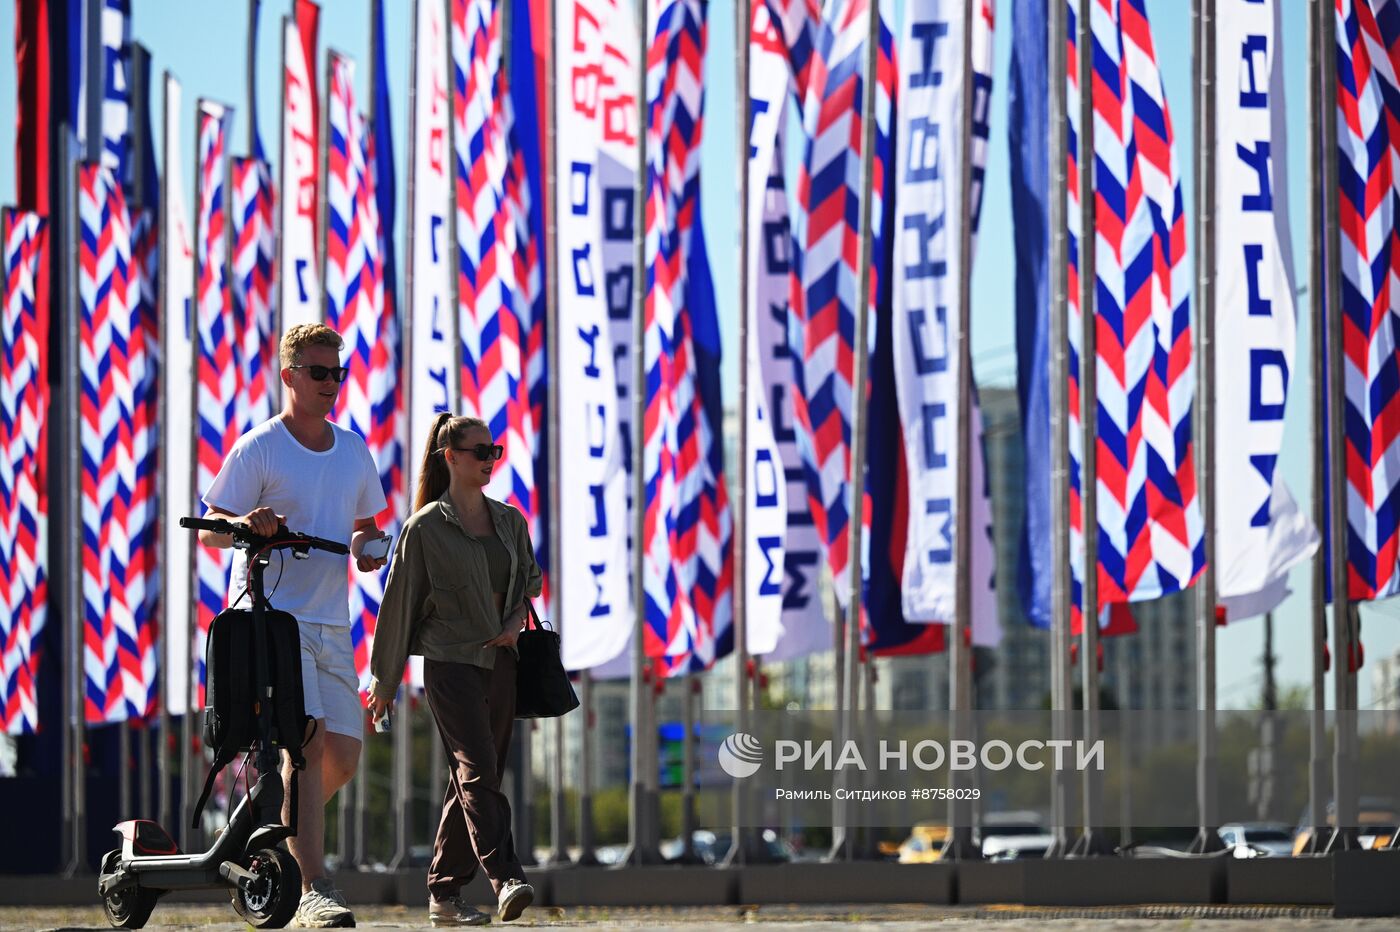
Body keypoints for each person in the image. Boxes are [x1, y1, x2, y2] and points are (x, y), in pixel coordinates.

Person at [200, 323, 389, 929]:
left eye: (337, 371)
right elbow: (209, 526)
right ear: (289, 376)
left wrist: (370, 547)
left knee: (345, 755)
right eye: (318, 371)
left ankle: (274, 836)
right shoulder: (258, 447)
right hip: (271, 620)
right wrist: (245, 522)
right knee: (305, 745)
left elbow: (364, 526)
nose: (331, 382)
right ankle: (314, 887)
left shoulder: (354, 450)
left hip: (333, 622)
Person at [369, 413, 538, 927]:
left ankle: (444, 895)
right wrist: (384, 679)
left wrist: (513, 623)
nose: (490, 459)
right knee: (478, 771)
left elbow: (529, 580)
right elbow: (398, 604)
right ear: (451, 457)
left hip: (502, 661)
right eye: (479, 451)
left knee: (469, 780)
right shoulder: (423, 529)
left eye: (494, 451)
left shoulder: (510, 520)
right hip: (450, 665)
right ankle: (506, 875)